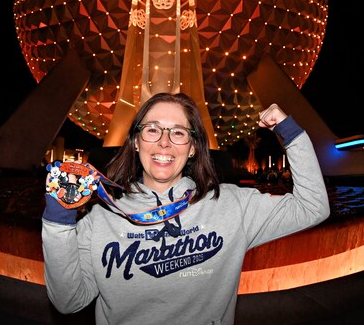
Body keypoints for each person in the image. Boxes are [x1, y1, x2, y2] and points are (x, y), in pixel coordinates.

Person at [41, 92, 330, 324]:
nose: (164, 142)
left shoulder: (232, 205)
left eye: (178, 133)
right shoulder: (101, 217)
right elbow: (69, 301)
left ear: (192, 147)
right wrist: (58, 220)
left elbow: (312, 206)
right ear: (136, 142)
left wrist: (287, 130)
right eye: (152, 130)